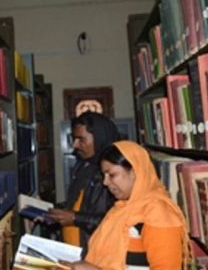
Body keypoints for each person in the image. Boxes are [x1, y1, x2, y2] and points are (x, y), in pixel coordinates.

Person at [68, 141, 190, 270]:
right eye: (104, 175)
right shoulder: (121, 208)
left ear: (135, 171)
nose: (105, 182)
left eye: (112, 175)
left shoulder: (159, 213)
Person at [46, 111, 121, 254]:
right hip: (73, 252)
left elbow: (116, 222)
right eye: (74, 139)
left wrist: (75, 218)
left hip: (95, 255)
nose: (75, 145)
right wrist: (52, 210)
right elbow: (80, 203)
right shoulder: (83, 165)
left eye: (81, 139)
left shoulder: (115, 173)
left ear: (99, 138)